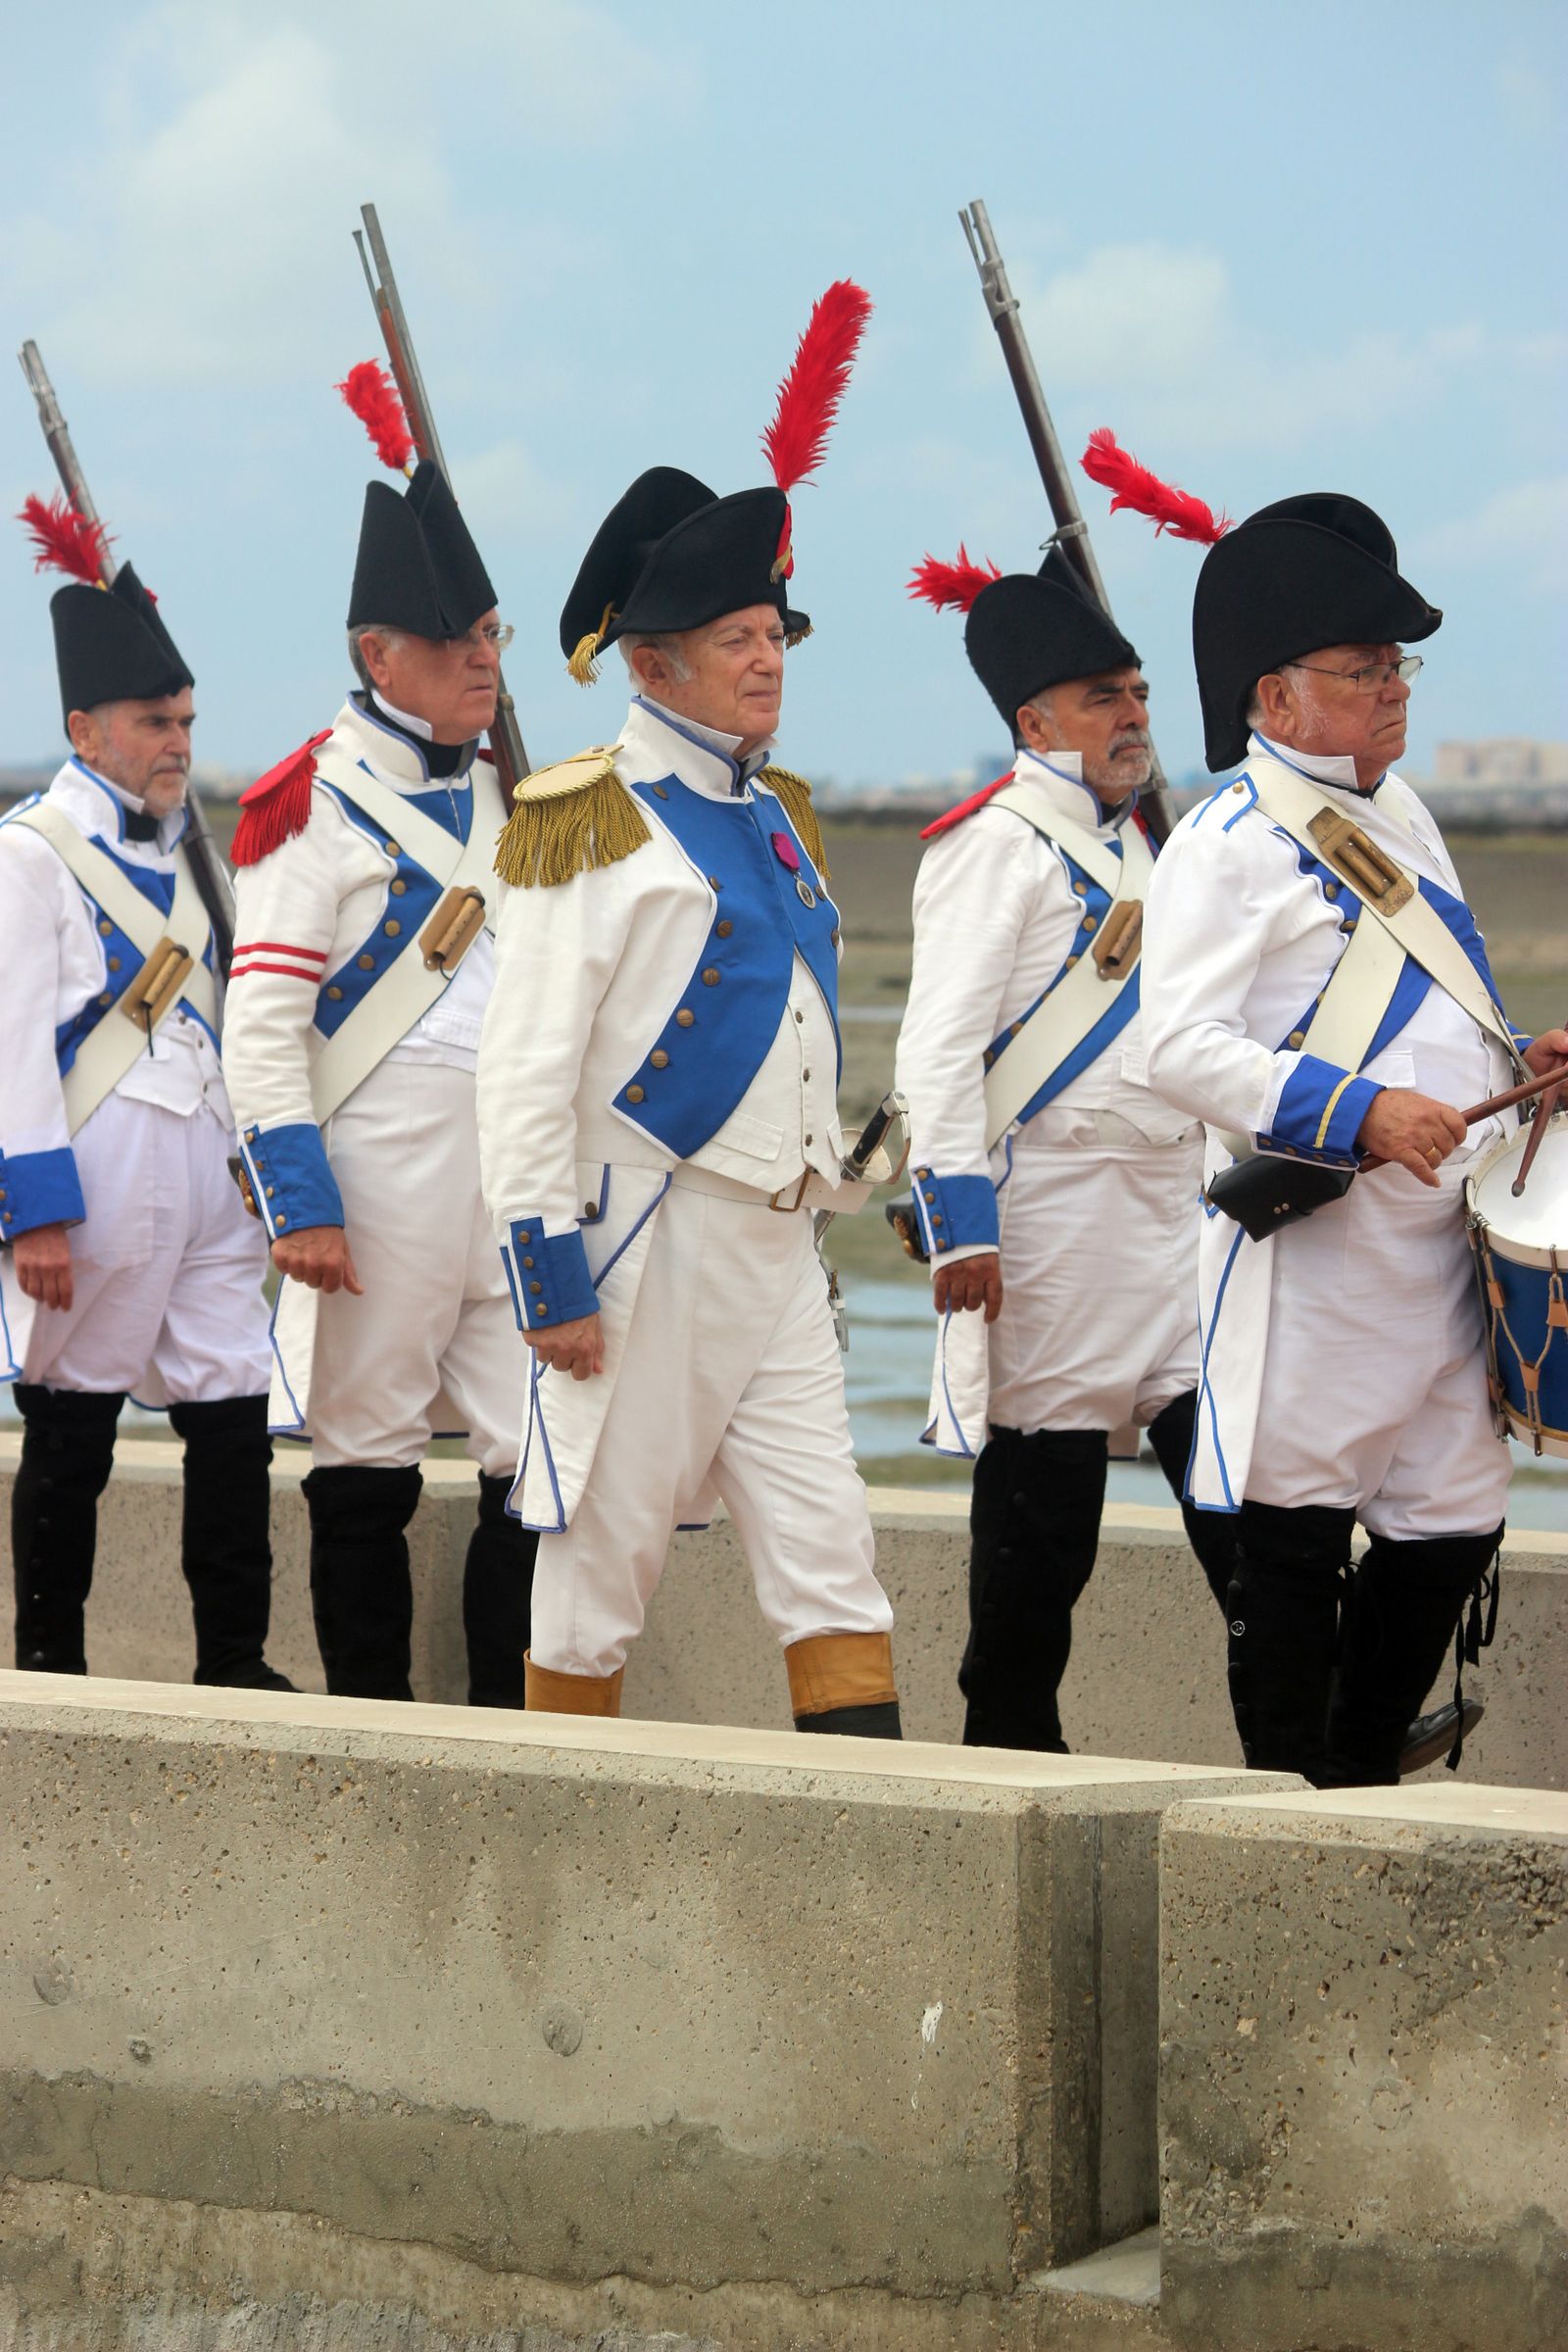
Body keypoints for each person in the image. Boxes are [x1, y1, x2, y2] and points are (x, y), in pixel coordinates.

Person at [477, 281, 901, 1734]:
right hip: (642, 1243)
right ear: (650, 665)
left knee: (836, 1563)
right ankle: (551, 1872)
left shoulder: (779, 816)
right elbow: (522, 1064)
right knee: (601, 1565)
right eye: (735, 638)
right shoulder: (583, 820)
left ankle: (882, 1867)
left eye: (775, 628)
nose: (769, 654)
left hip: (778, 1242)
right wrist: (548, 1281)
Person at [1129, 481, 1568, 1786]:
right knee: (1291, 1548)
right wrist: (1361, 1110)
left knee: (1453, 1526)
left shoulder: (1405, 813)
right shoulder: (1226, 844)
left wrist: (1522, 1061)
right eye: (1362, 668)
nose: (1394, 688)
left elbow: (1433, 1014)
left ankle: (1357, 1766)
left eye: (1397, 664)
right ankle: (1292, 1805)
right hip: (1312, 1271)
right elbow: (1177, 1050)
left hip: (1432, 1258)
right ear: (1275, 699)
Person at [893, 546, 1232, 1752]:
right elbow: (936, 1052)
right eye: (1104, 698)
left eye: (1137, 693)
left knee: (1239, 1494)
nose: (1134, 715)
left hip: (1168, 1212)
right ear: (1035, 722)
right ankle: (1009, 1750)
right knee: (1044, 1531)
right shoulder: (994, 845)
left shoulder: (1143, 845)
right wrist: (961, 1222)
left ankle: (1313, 1730)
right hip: (1053, 1219)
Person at [220, 460, 533, 1705]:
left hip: (508, 1174)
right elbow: (264, 1018)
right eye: (454, 640)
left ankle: (515, 1725)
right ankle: (374, 1721)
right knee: (367, 1465)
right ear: (378, 654)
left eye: (492, 636)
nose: (481, 660)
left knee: (540, 1465)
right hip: (377, 1172)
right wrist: (298, 1198)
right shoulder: (310, 804)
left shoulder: (517, 801)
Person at [2, 512, 286, 1687]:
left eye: (184, 723)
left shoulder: (190, 854)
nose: (177, 742)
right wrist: (36, 1211)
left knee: (235, 1411)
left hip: (205, 1172)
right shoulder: (30, 853)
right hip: (97, 1175)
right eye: (154, 722)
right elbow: (12, 1042)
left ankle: (235, 1661)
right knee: (73, 1427)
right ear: (85, 729)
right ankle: (50, 1666)